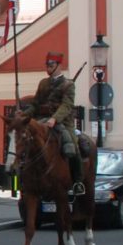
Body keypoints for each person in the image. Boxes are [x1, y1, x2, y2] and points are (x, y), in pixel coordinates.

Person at [32, 51, 85, 195]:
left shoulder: (68, 85)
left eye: (51, 64)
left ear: (59, 65)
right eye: (47, 64)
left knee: (72, 145)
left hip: (62, 122)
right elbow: (36, 103)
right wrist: (25, 115)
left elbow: (66, 106)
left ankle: (78, 181)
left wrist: (55, 118)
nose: (48, 67)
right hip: (42, 119)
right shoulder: (43, 83)